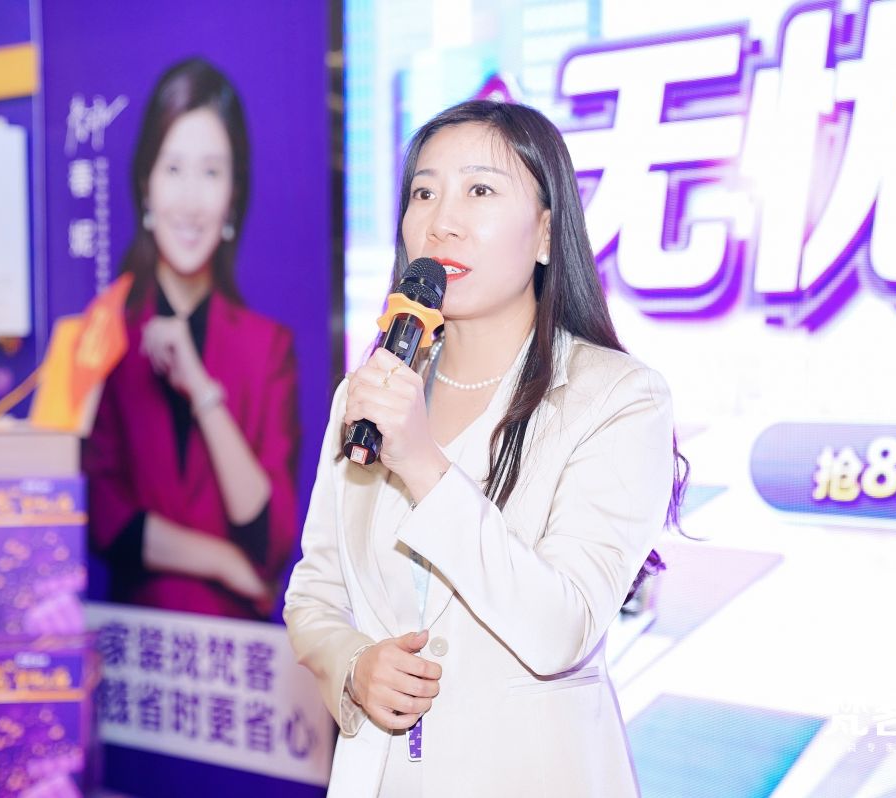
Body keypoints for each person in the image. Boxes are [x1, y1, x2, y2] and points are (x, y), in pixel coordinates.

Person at [284, 100, 686, 797]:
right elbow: (314, 590)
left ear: (546, 233)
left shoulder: (618, 398)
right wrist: (353, 666)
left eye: (479, 190)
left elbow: (562, 630)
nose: (442, 221)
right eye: (424, 193)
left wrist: (423, 463)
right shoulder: (370, 391)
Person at [84, 58, 299, 620]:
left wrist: (202, 390)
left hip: (235, 655)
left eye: (211, 172)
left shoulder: (268, 349)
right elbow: (102, 516)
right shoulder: (104, 334)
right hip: (136, 648)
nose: (189, 199)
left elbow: (271, 537)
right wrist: (220, 561)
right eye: (173, 168)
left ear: (233, 196)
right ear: (145, 186)